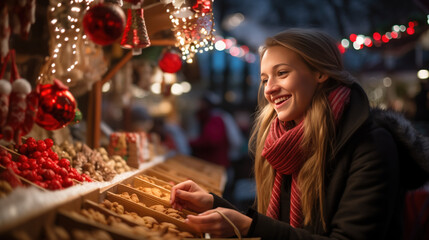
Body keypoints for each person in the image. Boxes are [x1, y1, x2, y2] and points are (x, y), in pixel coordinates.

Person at [170, 28, 429, 239]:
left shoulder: (370, 143)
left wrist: (249, 227)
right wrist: (213, 205)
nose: (269, 89)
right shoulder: (280, 140)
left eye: (282, 73)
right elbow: (277, 225)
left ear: (320, 72)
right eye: (264, 79)